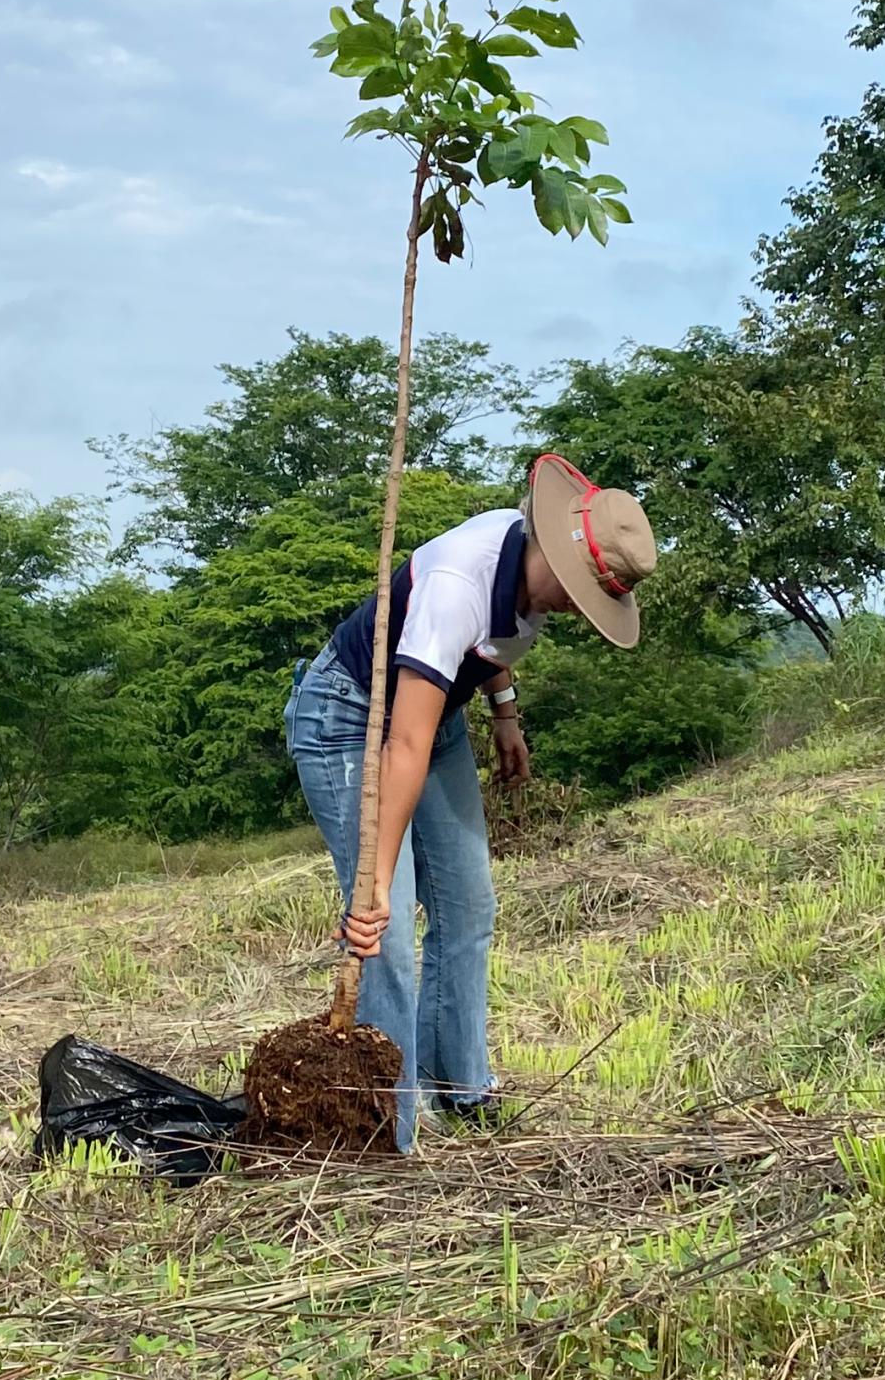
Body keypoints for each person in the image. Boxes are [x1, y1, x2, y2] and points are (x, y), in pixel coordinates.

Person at [281, 453, 657, 1152]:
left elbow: (493, 643)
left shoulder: (531, 576)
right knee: (383, 933)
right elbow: (403, 746)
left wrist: (505, 713)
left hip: (438, 716)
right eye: (578, 591)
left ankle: (461, 1087)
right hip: (350, 719)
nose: (578, 607)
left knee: (469, 904)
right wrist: (374, 884)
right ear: (548, 546)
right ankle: (390, 1126)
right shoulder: (457, 582)